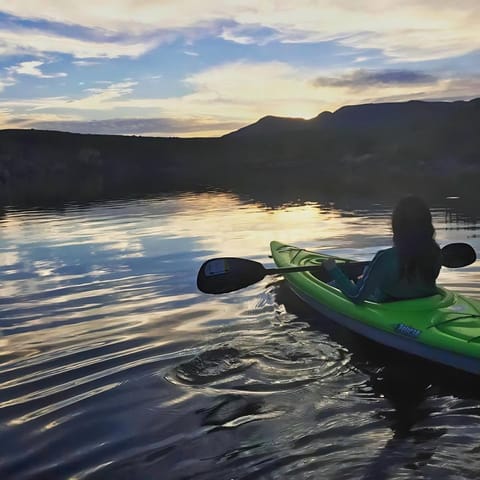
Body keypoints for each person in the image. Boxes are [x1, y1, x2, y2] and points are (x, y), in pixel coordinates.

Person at [323, 196, 442, 304]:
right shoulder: (435, 252)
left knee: (333, 284)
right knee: (364, 271)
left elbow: (356, 297)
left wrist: (333, 269)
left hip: (389, 306)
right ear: (427, 224)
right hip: (425, 306)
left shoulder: (385, 258)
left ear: (397, 225)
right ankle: (364, 274)